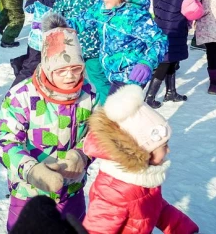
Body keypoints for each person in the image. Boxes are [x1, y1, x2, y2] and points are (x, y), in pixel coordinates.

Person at [0, 13, 99, 231]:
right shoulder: (22, 96)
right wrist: (31, 170)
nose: (70, 76)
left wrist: (82, 154)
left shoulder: (89, 94)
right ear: (48, 67)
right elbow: (4, 140)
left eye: (76, 68)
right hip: (28, 194)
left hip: (72, 191)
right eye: (61, 70)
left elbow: (98, 133)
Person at [83, 85, 199, 234]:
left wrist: (182, 227)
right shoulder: (114, 192)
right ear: (144, 150)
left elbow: (154, 206)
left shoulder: (141, 177)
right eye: (164, 146)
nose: (168, 150)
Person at [80, 0, 167, 92]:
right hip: (111, 71)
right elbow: (84, 20)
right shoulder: (101, 7)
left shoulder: (135, 16)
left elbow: (160, 40)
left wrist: (147, 62)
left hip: (130, 76)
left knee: (114, 111)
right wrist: (59, 23)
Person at [145, 0, 204, 108]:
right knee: (165, 64)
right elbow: (194, 12)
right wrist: (198, 2)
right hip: (175, 31)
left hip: (161, 28)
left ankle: (171, 91)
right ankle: (149, 97)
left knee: (171, 61)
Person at [11, 0, 63, 87]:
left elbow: (28, 8)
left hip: (35, 39)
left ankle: (20, 71)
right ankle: (14, 92)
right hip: (51, 41)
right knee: (49, 68)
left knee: (30, 64)